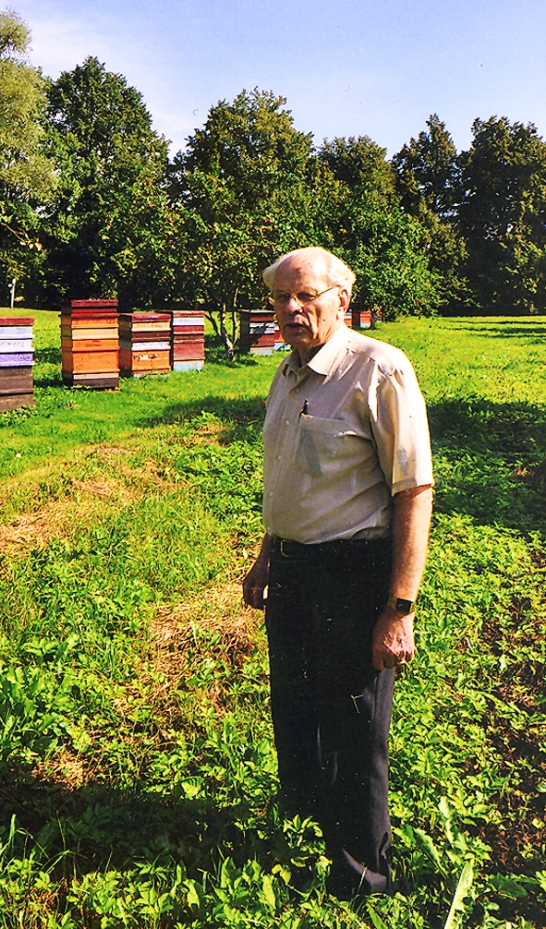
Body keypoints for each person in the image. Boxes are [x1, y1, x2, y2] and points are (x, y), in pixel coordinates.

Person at [243, 246, 433, 897]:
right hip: (293, 572)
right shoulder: (286, 373)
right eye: (281, 298)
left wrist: (398, 607)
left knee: (353, 728)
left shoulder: (379, 369)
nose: (291, 309)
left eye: (306, 295)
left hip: (353, 575)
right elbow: (288, 479)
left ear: (341, 299)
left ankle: (361, 877)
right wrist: (267, 555)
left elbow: (413, 490)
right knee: (295, 713)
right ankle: (303, 842)